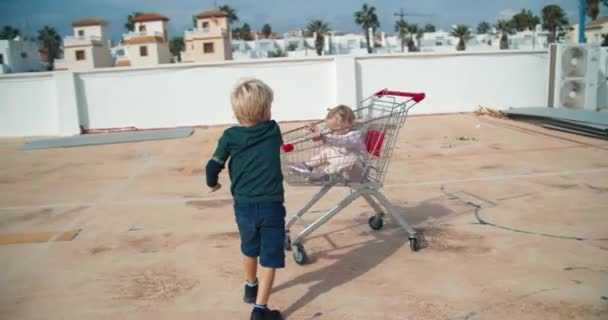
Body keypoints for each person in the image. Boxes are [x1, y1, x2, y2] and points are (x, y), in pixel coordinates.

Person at [206, 79, 285, 320]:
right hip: (271, 205)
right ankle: (260, 310)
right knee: (270, 257)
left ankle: (250, 286)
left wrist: (213, 183)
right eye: (269, 106)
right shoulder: (273, 130)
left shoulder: (230, 136)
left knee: (249, 248)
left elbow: (212, 166)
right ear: (264, 111)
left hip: (243, 206)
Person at [289, 105, 367, 182]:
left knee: (351, 160)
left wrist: (325, 138)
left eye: (334, 130)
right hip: (341, 169)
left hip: (357, 172)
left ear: (348, 126)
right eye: (330, 129)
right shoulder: (338, 132)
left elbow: (342, 140)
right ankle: (307, 166)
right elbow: (327, 132)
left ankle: (323, 174)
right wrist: (316, 130)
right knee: (328, 152)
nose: (331, 132)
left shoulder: (355, 135)